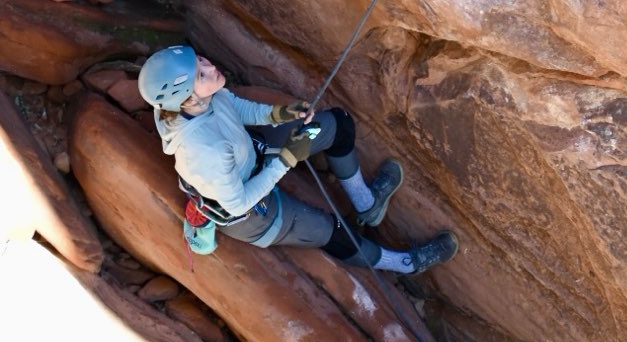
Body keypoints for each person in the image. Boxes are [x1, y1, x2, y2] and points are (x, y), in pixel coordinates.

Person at [138, 45, 457, 275]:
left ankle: (367, 205)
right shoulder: (201, 152)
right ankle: (406, 264)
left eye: (201, 60)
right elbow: (239, 204)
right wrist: (287, 159)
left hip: (251, 156)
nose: (210, 67)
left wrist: (278, 115)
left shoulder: (201, 97)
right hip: (250, 215)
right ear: (189, 99)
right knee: (334, 231)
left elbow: (237, 109)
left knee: (337, 124)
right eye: (201, 74)